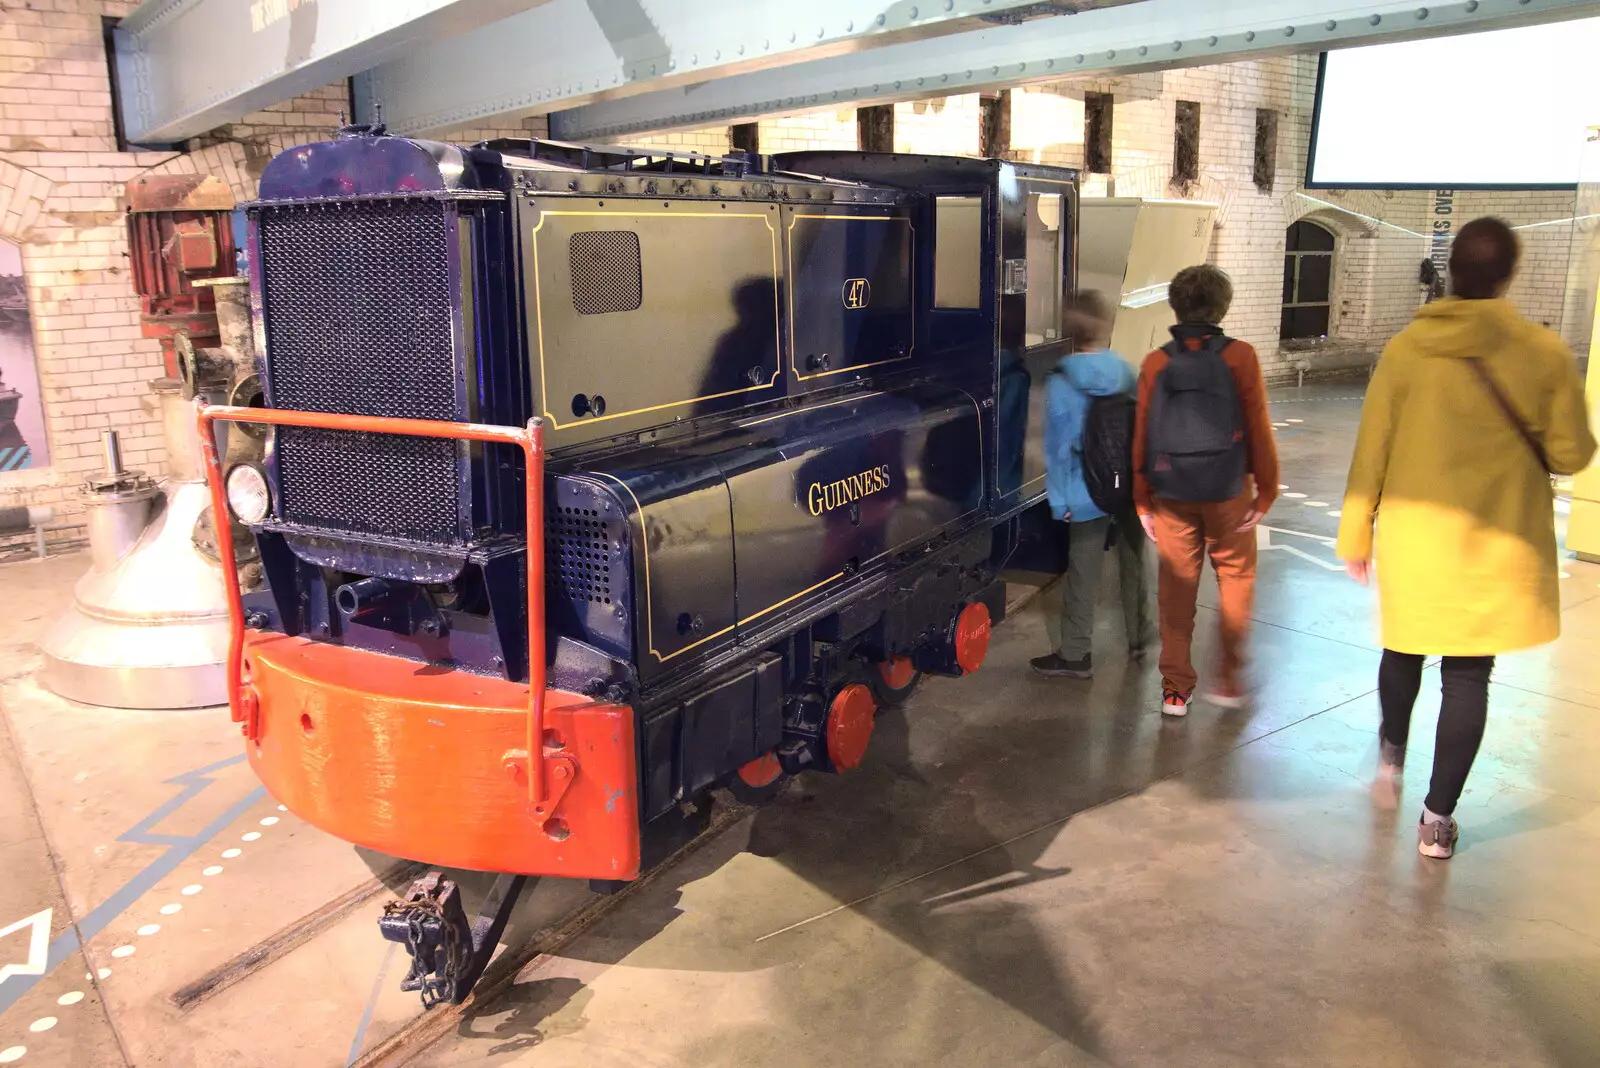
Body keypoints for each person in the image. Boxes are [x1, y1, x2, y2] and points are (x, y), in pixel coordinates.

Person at [1336, 216, 1595, 860]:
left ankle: (1390, 758)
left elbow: (1373, 449)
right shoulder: (1543, 352)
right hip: (1497, 541)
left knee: (1403, 646)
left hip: (1415, 536)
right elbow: (1570, 453)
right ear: (1511, 274)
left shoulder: (1406, 349)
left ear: (1450, 269)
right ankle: (1437, 820)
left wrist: (1354, 530)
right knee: (1469, 676)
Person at [1133, 265, 1278, 717]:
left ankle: (1175, 689)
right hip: (1228, 489)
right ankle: (1229, 678)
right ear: (1223, 307)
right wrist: (1266, 491)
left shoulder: (1157, 361)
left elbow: (1142, 435)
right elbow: (1257, 427)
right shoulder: (1241, 356)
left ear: (1175, 305)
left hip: (1172, 493)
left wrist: (1142, 499)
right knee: (1235, 580)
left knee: (1176, 592)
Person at [1031, 292, 1152, 679]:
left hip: (1085, 489)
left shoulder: (1062, 380)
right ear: (1103, 327)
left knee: (1084, 571)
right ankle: (1138, 640)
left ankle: (1076, 655)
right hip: (1130, 483)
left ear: (1067, 331)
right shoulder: (1125, 370)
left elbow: (1058, 447)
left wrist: (1059, 501)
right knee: (1135, 563)